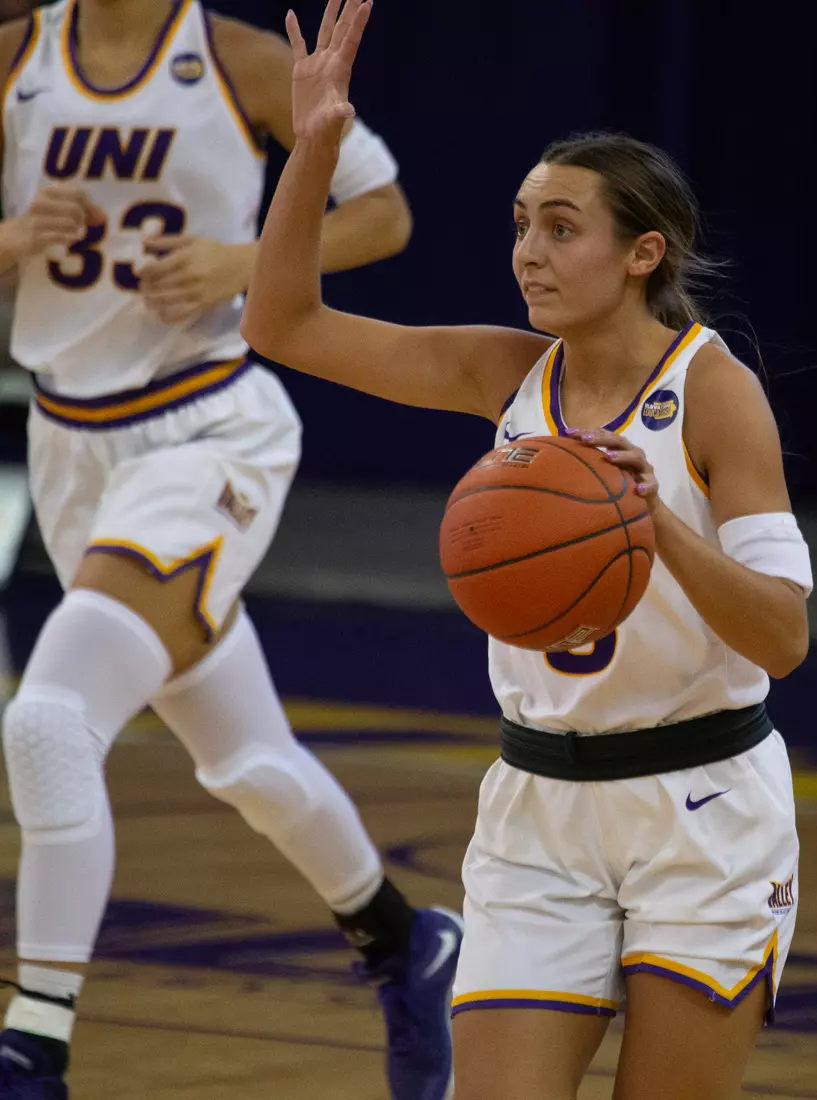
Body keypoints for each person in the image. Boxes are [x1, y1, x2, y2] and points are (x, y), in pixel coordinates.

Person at [242, 3, 815, 1099]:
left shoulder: (714, 394)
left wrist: (654, 528)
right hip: (535, 805)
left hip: (701, 804)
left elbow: (782, 635)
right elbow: (282, 325)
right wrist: (311, 144)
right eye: (518, 224)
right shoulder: (507, 374)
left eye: (561, 227)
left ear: (643, 252)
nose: (527, 253)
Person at [0, 2, 463, 1098]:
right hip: (69, 447)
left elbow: (383, 213)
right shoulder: (17, 53)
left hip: (208, 432)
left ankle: (33, 1044)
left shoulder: (242, 59)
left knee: (49, 719)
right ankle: (406, 945)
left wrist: (242, 260)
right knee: (246, 765)